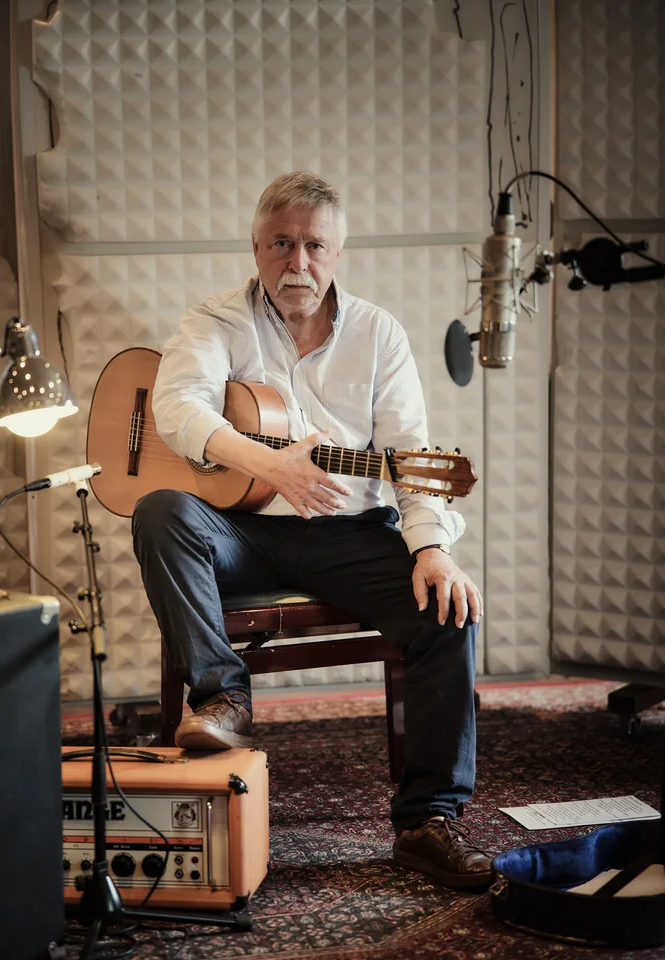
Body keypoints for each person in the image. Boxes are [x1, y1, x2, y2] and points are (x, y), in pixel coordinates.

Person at [132, 172, 490, 890]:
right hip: (243, 532)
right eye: (282, 244)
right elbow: (176, 409)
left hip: (350, 535)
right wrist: (268, 462)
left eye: (314, 245)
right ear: (256, 247)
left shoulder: (378, 333)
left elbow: (410, 455)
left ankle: (428, 821)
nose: (298, 262)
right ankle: (223, 699)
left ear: (338, 251)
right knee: (161, 512)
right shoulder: (215, 321)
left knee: (449, 611)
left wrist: (432, 548)